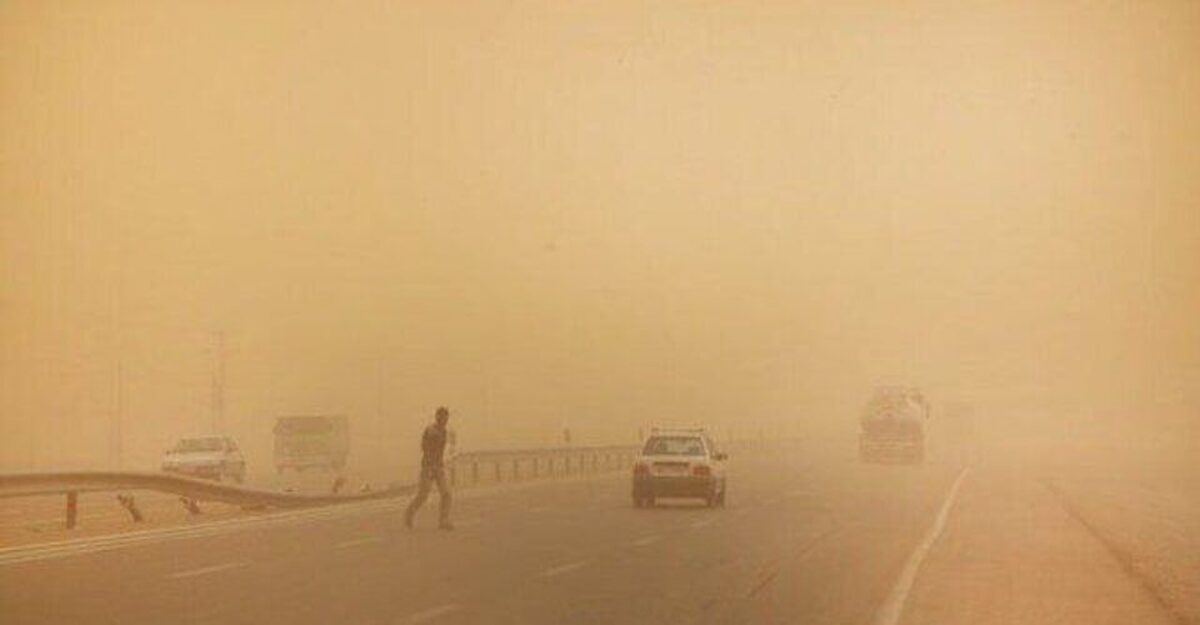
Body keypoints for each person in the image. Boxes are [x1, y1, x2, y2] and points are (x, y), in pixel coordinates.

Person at [404, 406, 454, 530]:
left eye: (446, 417)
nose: (444, 419)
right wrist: (431, 464)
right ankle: (409, 514)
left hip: (439, 466)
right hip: (428, 466)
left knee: (446, 493)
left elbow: (446, 448)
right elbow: (425, 448)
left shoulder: (444, 431)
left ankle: (443, 520)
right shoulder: (431, 430)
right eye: (442, 417)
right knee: (423, 495)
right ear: (437, 417)